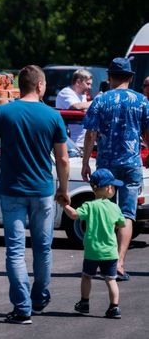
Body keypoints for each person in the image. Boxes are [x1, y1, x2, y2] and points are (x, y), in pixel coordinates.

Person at [0, 65, 70, 324]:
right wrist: (63, 189)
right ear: (40, 85)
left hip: (12, 190)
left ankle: (22, 308)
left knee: (15, 251)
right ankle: (39, 298)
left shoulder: (3, 112)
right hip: (42, 191)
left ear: (21, 86)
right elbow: (63, 159)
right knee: (43, 248)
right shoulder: (52, 115)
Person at [81, 57, 149, 281]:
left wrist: (85, 162)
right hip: (131, 163)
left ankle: (104, 260)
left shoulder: (100, 100)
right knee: (127, 213)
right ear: (130, 77)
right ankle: (119, 263)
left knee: (105, 212)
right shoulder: (142, 101)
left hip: (106, 165)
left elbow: (90, 134)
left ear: (109, 77)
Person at [61, 168, 126, 319]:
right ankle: (114, 307)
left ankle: (84, 303)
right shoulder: (114, 207)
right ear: (109, 188)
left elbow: (74, 215)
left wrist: (64, 205)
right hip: (110, 252)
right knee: (111, 280)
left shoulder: (89, 206)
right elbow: (121, 224)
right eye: (113, 186)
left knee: (86, 276)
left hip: (92, 251)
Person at [55, 69, 93, 146]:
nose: (90, 87)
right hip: (71, 143)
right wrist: (97, 101)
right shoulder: (66, 93)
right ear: (78, 82)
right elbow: (75, 106)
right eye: (88, 84)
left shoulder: (82, 95)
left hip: (82, 142)